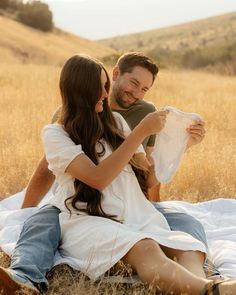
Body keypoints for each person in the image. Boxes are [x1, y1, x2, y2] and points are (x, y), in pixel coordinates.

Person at [0, 53, 216, 294]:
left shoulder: (123, 120)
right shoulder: (58, 129)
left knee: (187, 226)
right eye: (102, 87)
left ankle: (210, 282)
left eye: (144, 88)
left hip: (128, 202)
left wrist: (181, 146)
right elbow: (81, 176)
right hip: (80, 203)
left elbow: (146, 179)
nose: (106, 92)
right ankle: (25, 275)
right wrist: (26, 210)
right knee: (40, 221)